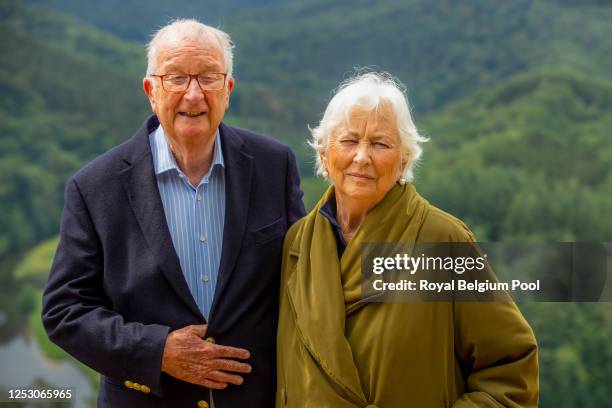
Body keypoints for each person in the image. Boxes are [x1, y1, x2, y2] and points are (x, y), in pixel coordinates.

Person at [42, 19, 305, 407]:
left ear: (228, 89)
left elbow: (306, 277)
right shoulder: (95, 187)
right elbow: (64, 311)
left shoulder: (274, 165)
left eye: (209, 78)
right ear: (151, 90)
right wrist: (157, 350)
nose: (194, 95)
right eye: (177, 78)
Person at [276, 72, 538, 407]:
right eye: (349, 141)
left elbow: (511, 369)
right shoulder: (298, 244)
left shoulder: (442, 240)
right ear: (325, 155)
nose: (362, 157)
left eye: (380, 144)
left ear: (403, 161)